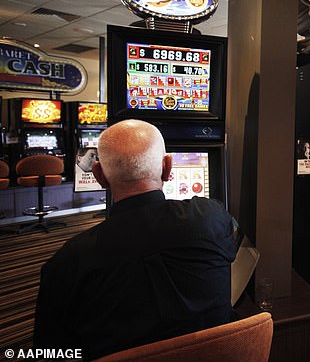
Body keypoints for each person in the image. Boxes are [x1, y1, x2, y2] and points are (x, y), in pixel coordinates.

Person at [33, 119, 237, 360]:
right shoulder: (211, 216)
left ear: (99, 175)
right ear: (167, 167)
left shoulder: (67, 262)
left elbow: (49, 353)